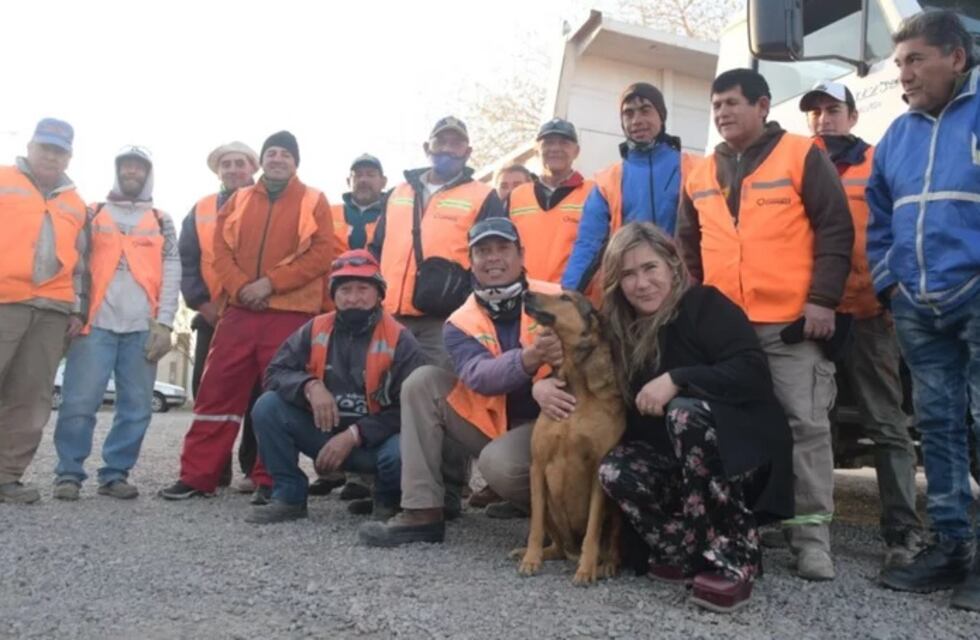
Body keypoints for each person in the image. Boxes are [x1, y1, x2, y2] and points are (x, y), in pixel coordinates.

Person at [676, 68, 854, 581]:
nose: (723, 113)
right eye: (716, 106)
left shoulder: (802, 155)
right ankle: (749, 522)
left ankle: (812, 540)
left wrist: (822, 300)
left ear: (763, 106)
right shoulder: (700, 172)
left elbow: (835, 229)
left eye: (732, 103)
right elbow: (686, 249)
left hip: (790, 324)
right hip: (725, 331)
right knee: (732, 427)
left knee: (804, 425)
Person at [591, 222, 792, 612]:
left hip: (740, 456)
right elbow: (578, 359)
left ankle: (735, 559)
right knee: (615, 470)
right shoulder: (619, 329)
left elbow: (753, 372)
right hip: (676, 467)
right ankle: (688, 551)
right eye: (628, 274)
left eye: (650, 268)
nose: (642, 283)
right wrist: (543, 385)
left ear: (672, 266)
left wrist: (678, 380)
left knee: (685, 414)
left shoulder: (706, 305)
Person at [868, 11, 980, 611]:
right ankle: (951, 547)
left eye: (916, 60)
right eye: (899, 62)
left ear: (956, 59)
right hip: (918, 305)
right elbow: (879, 214)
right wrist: (892, 286)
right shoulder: (898, 134)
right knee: (937, 426)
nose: (903, 74)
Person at [358, 217, 561, 547]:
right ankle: (422, 510)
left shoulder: (557, 296)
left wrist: (550, 381)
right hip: (497, 424)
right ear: (471, 261)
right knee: (422, 382)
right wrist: (529, 360)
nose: (493, 258)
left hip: (554, 421)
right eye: (483, 251)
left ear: (521, 255)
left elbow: (589, 358)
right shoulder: (459, 320)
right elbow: (478, 376)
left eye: (502, 249)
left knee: (502, 464)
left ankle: (558, 514)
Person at [160, 130, 335, 503]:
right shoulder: (238, 200)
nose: (277, 158)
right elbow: (219, 250)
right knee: (216, 395)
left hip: (290, 313)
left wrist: (269, 284)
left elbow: (321, 255)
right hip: (239, 312)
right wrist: (242, 290)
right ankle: (197, 476)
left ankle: (270, 479)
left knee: (279, 397)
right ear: (263, 159)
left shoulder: (315, 200)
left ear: (295, 162)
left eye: (285, 154)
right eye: (271, 152)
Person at [799, 80, 925, 567]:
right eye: (815, 112)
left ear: (852, 116)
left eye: (833, 110)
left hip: (869, 312)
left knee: (887, 422)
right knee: (810, 420)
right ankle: (807, 527)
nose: (823, 119)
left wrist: (895, 297)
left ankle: (902, 532)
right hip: (811, 311)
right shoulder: (794, 161)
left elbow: (900, 229)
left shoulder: (880, 161)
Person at [246, 250, 427, 523]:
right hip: (323, 435)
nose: (353, 297)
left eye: (363, 288)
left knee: (404, 448)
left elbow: (413, 408)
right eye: (345, 289)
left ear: (379, 294)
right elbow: (275, 373)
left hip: (376, 445)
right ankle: (289, 497)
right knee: (268, 407)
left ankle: (388, 501)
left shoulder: (401, 339)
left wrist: (354, 434)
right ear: (334, 295)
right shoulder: (314, 328)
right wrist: (309, 387)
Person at [53, 146, 180, 500]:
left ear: (147, 173)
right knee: (79, 402)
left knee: (136, 407)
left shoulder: (160, 219)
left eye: (138, 167)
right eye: (126, 166)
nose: (132, 172)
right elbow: (75, 264)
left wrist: (165, 323)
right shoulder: (93, 213)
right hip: (96, 325)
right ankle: (68, 473)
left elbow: (172, 272)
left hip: (142, 327)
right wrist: (74, 311)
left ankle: (115, 473)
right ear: (117, 170)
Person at [369, 116, 504, 368]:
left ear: (468, 152)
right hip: (387, 317)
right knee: (380, 391)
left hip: (444, 323)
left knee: (428, 393)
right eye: (440, 141)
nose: (447, 149)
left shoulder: (484, 196)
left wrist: (467, 303)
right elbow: (376, 248)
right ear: (426, 147)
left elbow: (495, 260)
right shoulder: (398, 192)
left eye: (456, 143)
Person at [0, 118, 88, 504]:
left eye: (59, 150)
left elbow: (81, 262)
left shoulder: (75, 202)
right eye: (45, 147)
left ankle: (6, 476)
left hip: (53, 309)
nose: (51, 155)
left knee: (31, 397)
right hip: (5, 300)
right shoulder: (4, 179)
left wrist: (77, 308)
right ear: (31, 147)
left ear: (68, 155)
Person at [179, 141, 261, 494]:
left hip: (257, 315)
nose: (233, 169)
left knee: (258, 395)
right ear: (218, 170)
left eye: (239, 163)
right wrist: (203, 305)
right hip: (212, 318)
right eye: (226, 164)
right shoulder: (199, 210)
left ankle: (253, 468)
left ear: (252, 168)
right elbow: (187, 262)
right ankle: (212, 469)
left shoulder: (270, 204)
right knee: (209, 394)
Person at [562, 82, 685, 293]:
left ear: (661, 116)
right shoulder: (607, 181)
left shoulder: (695, 170)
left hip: (684, 290)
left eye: (645, 110)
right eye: (629, 114)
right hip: (634, 292)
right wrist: (569, 293)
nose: (637, 120)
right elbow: (589, 244)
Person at [507, 118, 594, 285]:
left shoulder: (593, 193)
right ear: (537, 149)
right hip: (522, 297)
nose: (555, 149)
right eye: (548, 143)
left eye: (564, 143)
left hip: (570, 301)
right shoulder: (516, 196)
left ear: (576, 151)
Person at [330, 154, 388, 255]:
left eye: (371, 175)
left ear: (383, 182)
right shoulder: (328, 213)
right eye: (358, 175)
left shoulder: (393, 216)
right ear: (348, 181)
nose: (363, 180)